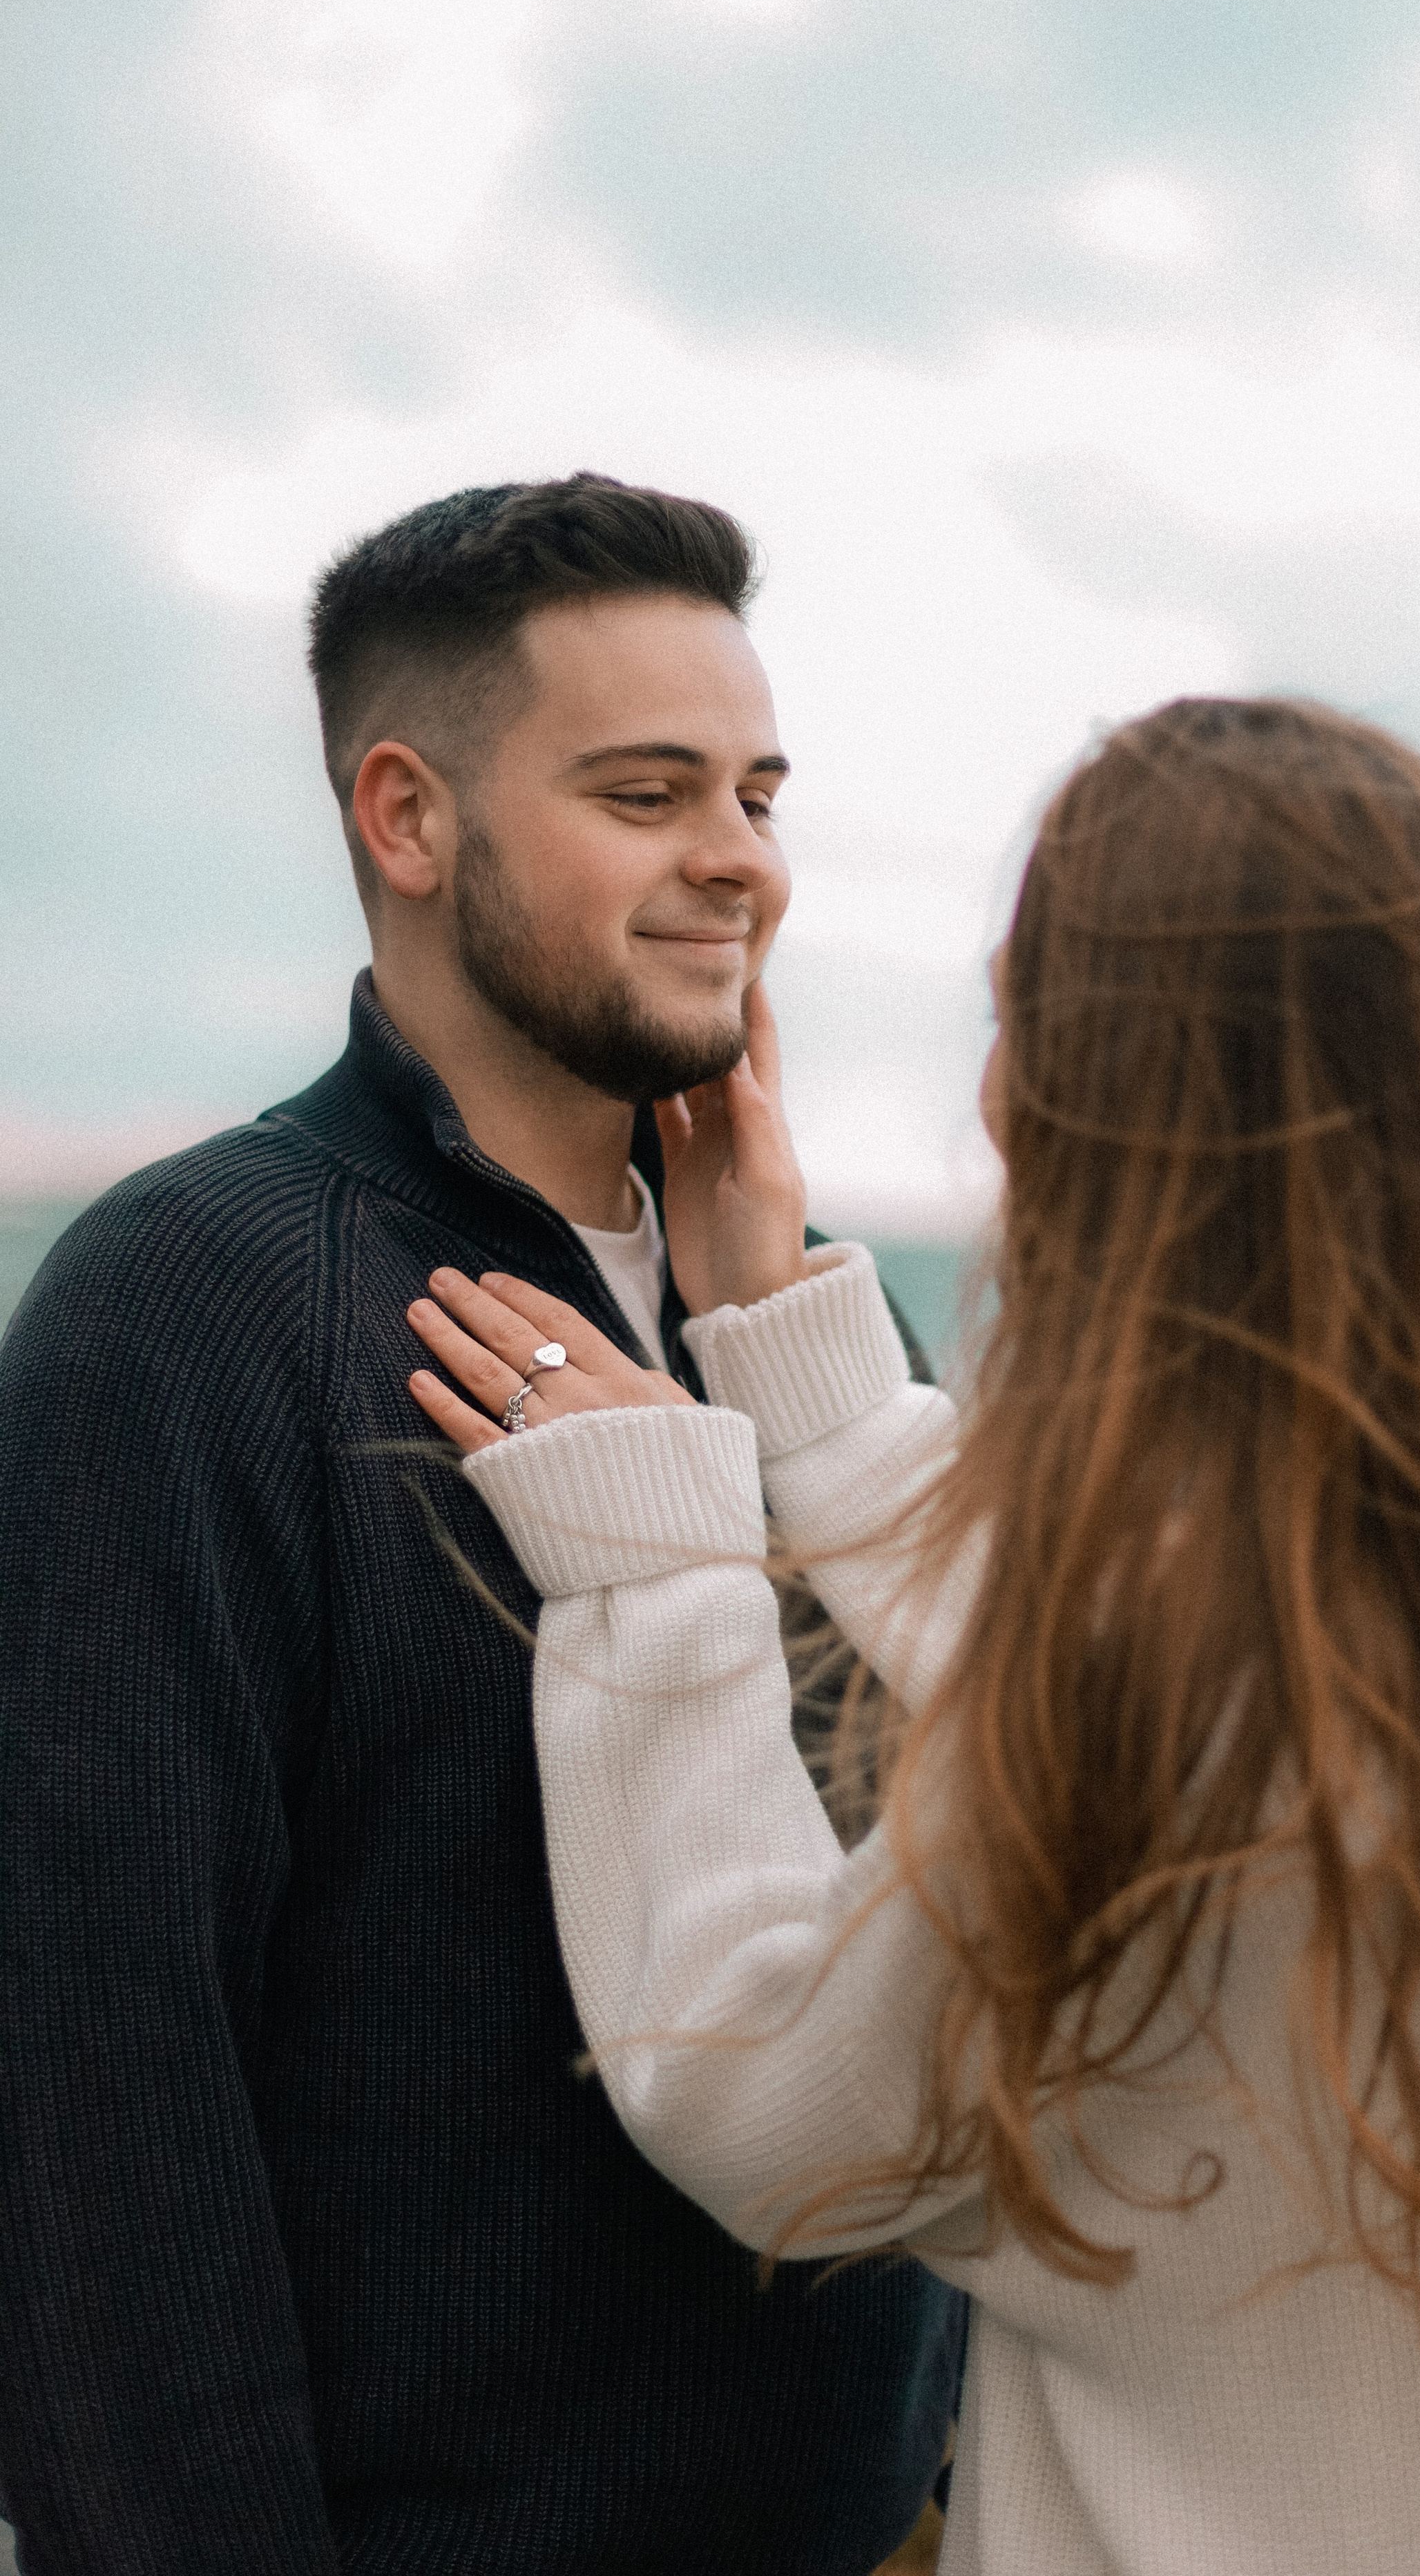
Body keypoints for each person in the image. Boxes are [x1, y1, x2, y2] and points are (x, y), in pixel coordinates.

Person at [413, 698, 1420, 2576]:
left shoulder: (1161, 1712)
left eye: (1017, 1028)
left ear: (1087, 1108)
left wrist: (657, 1565)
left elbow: (766, 2102)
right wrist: (802, 1370)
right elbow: (1218, 1687)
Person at [0, 473, 962, 2575]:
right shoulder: (193, 1309)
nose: (740, 863)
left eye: (760, 794)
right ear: (408, 820)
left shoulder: (824, 1318)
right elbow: (97, 2106)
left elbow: (966, 1884)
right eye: (647, 792)